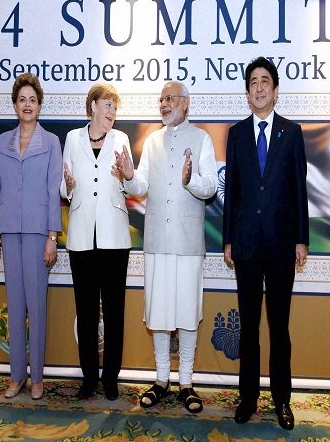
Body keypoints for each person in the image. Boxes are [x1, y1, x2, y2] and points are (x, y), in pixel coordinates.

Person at [113, 81, 217, 414]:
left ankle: (186, 381)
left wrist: (190, 181)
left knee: (187, 313)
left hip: (187, 242)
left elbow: (211, 186)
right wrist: (129, 176)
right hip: (157, 240)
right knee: (158, 313)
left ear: (186, 104)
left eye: (169, 99)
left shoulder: (201, 139)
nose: (164, 104)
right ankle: (161, 379)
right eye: (161, 100)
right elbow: (140, 185)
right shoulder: (153, 141)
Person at [222, 56, 309, 430]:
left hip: (280, 245)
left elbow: (299, 190)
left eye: (264, 82)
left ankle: (282, 401)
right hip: (245, 246)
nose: (258, 88)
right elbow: (233, 192)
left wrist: (302, 239)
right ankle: (248, 398)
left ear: (275, 90)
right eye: (253, 82)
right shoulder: (237, 134)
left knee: (279, 327)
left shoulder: (292, 133)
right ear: (247, 93)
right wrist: (227, 240)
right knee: (250, 327)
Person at [0, 73, 62, 400]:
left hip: (37, 234)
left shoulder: (51, 143)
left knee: (37, 308)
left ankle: (37, 380)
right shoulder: (2, 142)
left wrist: (52, 236)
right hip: (9, 233)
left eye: (33, 100)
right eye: (22, 100)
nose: (27, 105)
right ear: (15, 105)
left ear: (39, 105)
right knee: (15, 307)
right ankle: (16, 376)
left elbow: (53, 191)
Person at [61, 83, 132, 401]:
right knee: (86, 311)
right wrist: (68, 186)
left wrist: (128, 176)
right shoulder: (73, 138)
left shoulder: (122, 140)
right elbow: (64, 188)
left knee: (114, 312)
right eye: (108, 105)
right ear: (92, 107)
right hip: (81, 238)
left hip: (114, 237)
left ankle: (111, 379)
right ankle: (89, 378)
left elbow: (131, 184)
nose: (112, 112)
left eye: (115, 107)